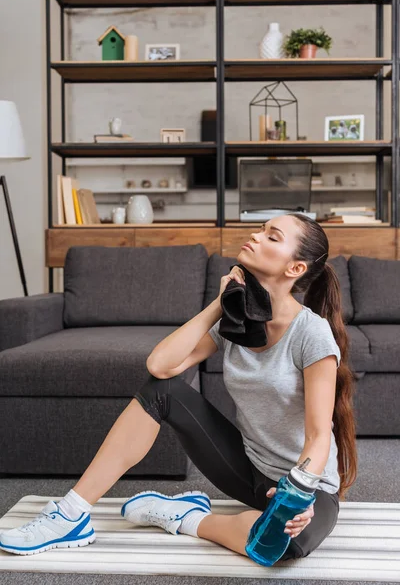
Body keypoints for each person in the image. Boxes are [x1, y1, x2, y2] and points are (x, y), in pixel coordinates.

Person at [0, 213, 358, 561]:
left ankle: (183, 517)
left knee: (282, 546)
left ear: (294, 268)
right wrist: (219, 305)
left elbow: (317, 436)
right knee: (162, 390)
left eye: (272, 236)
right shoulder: (235, 319)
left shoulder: (311, 333)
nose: (255, 236)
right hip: (248, 469)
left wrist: (298, 496)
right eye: (260, 229)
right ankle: (70, 515)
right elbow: (160, 366)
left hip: (308, 484)